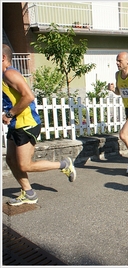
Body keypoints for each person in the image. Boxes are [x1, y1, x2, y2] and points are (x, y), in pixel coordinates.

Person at [2, 44, 76, 206]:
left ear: (3, 58)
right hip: (16, 124)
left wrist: (9, 114)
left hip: (26, 124)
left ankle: (64, 164)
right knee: (11, 160)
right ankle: (29, 193)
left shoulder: (10, 74)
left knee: (24, 164)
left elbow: (29, 96)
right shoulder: (4, 76)